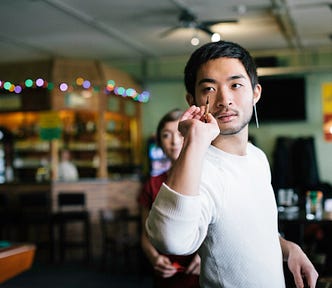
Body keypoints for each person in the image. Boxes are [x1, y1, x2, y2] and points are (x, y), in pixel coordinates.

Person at [146, 40, 319, 288]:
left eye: (235, 85)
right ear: (191, 100)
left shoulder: (257, 157)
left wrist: (287, 248)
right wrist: (193, 142)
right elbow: (170, 240)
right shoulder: (197, 170)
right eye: (209, 89)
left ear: (255, 93)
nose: (224, 99)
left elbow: (249, 231)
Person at [138, 108, 201, 288]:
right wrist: (155, 258)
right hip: (166, 274)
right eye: (166, 135)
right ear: (159, 142)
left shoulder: (205, 179)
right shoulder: (152, 183)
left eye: (180, 134)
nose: (174, 141)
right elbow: (145, 234)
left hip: (201, 272)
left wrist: (204, 255)